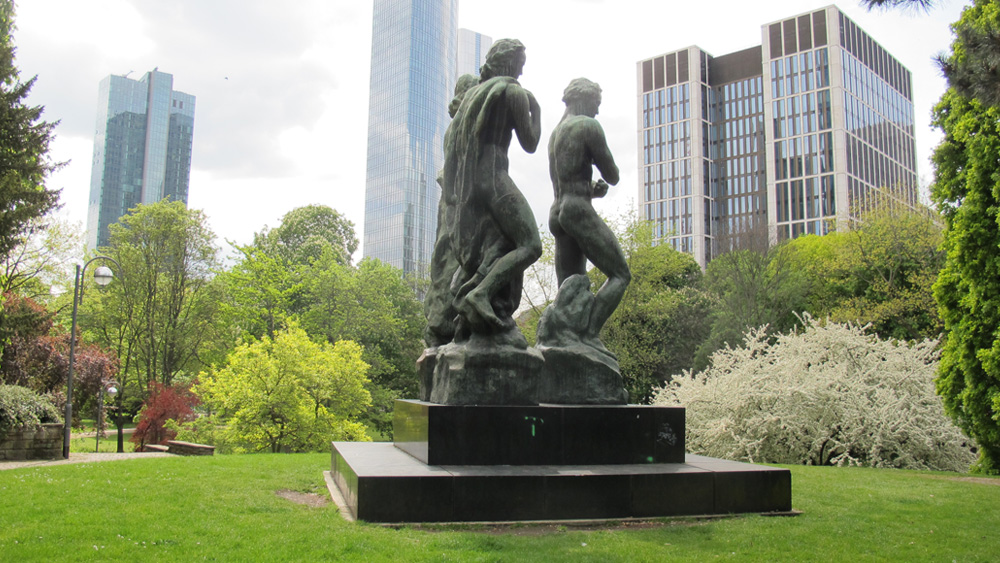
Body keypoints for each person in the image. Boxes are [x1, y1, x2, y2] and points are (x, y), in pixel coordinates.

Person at [441, 39, 542, 337]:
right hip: (496, 179)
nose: (522, 71)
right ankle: (481, 293)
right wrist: (535, 109)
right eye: (521, 65)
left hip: (473, 185)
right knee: (530, 245)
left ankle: (467, 300)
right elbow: (531, 143)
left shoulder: (473, 96)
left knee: (501, 246)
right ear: (510, 63)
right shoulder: (512, 92)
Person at [547, 78, 630, 341]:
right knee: (620, 274)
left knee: (569, 289)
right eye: (596, 104)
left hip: (557, 211)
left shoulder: (554, 134)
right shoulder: (588, 126)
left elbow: (566, 177)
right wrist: (600, 174)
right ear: (583, 99)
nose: (597, 111)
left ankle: (564, 338)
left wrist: (590, 189)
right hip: (577, 210)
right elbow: (613, 174)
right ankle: (588, 335)